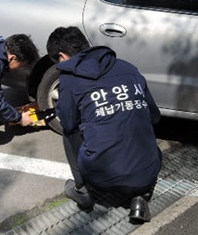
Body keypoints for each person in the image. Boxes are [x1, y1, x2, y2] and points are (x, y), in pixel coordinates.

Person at [46, 26, 162, 223]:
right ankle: (139, 196)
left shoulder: (70, 79)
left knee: (69, 132)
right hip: (148, 171)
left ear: (62, 56)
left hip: (103, 176)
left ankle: (82, 192)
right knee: (134, 118)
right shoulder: (128, 68)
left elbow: (68, 121)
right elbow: (154, 116)